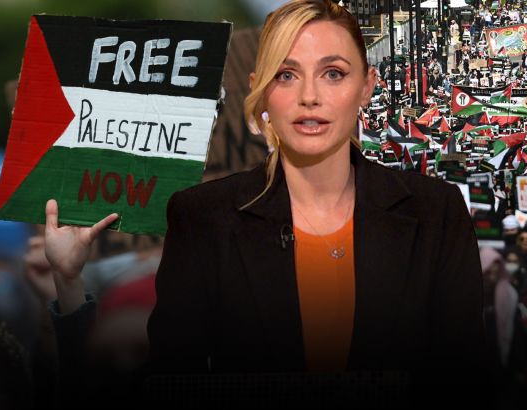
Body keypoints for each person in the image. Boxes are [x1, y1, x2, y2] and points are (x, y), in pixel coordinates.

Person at [43, 0, 485, 407]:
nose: (309, 96)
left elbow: (464, 380)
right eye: (286, 75)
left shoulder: (436, 213)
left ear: (367, 86)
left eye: (333, 73)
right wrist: (68, 281)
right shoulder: (203, 218)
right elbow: (163, 387)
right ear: (259, 89)